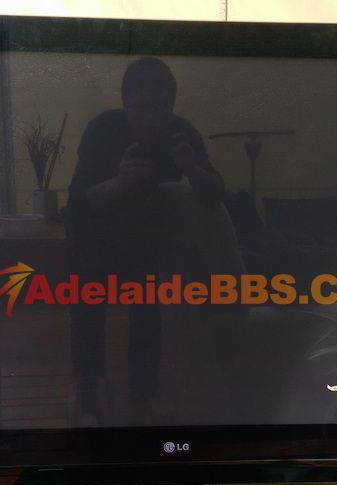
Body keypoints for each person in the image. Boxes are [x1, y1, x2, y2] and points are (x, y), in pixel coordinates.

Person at [66, 57, 226, 420]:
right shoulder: (102, 129)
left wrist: (192, 168)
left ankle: (145, 388)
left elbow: (216, 196)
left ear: (171, 105)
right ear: (126, 103)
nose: (152, 116)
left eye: (161, 107)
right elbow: (79, 199)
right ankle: (91, 387)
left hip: (145, 235)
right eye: (142, 106)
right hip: (91, 232)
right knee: (87, 309)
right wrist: (119, 183)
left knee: (147, 312)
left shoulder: (180, 133)